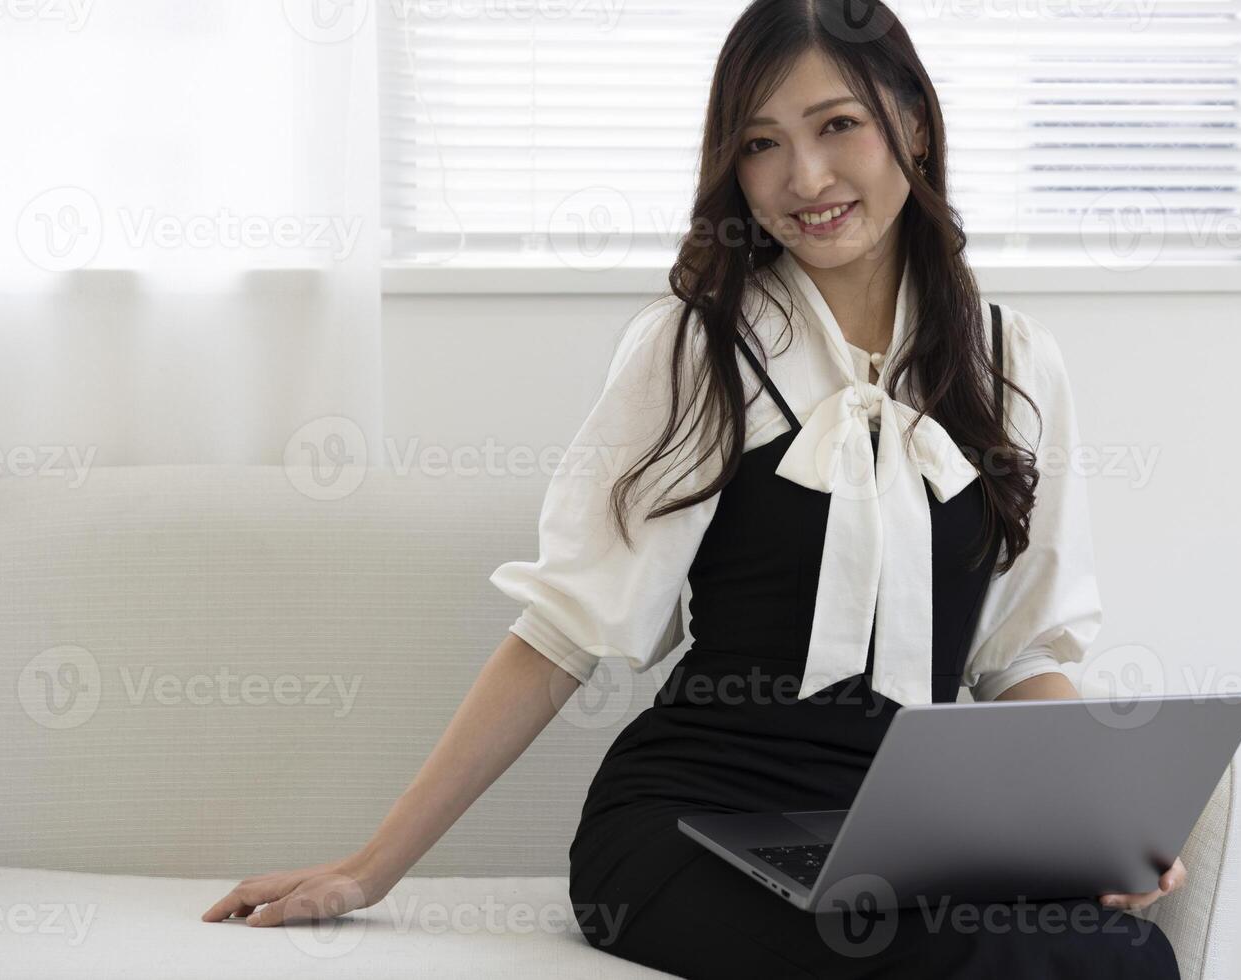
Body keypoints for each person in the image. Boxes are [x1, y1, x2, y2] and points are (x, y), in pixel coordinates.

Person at [202, 1, 1186, 976]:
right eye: (761, 143)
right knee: (972, 959)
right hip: (692, 826)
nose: (805, 177)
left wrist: (1099, 828)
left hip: (897, 839)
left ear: (915, 124)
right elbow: (562, 636)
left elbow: (1020, 657)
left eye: (837, 124)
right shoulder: (697, 349)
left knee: (1123, 951)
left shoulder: (1012, 361)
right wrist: (373, 867)